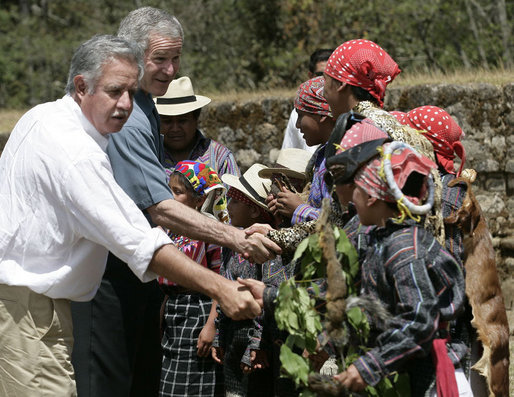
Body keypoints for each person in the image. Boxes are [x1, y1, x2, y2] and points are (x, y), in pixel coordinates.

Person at [0, 34, 260, 397]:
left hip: (26, 305)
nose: (125, 104)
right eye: (114, 91)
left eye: (132, 93)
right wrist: (222, 287)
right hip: (31, 313)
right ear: (81, 87)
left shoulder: (41, 117)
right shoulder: (77, 154)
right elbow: (141, 241)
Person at [71, 8, 279, 397]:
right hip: (109, 274)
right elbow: (159, 206)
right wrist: (237, 238)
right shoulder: (129, 117)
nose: (170, 70)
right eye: (159, 59)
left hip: (137, 272)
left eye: (175, 58)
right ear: (130, 56)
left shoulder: (146, 106)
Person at [214, 164, 293, 397]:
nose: (228, 206)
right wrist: (219, 333)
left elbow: (266, 297)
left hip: (253, 335)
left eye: (234, 201)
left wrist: (256, 345)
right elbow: (223, 288)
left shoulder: (267, 250)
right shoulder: (232, 243)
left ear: (255, 212)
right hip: (231, 332)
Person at [160, 161, 227, 397]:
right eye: (169, 190)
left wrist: (211, 326)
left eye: (177, 192)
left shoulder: (209, 231)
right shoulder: (172, 229)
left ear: (199, 200)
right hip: (174, 313)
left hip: (198, 311)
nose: (171, 197)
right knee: (170, 384)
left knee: (192, 384)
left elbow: (220, 279)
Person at [267, 76, 335, 226]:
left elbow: (339, 221)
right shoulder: (322, 155)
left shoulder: (340, 157)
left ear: (321, 115)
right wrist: (285, 205)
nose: (297, 125)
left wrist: (299, 209)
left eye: (301, 116)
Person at [155, 76, 240, 179]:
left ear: (196, 120)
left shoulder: (220, 158)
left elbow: (235, 194)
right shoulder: (149, 155)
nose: (175, 128)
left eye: (182, 120)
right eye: (167, 121)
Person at [281, 48, 333, 154]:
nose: (324, 80)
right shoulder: (297, 113)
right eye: (320, 75)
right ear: (310, 76)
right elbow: (288, 156)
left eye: (331, 75)